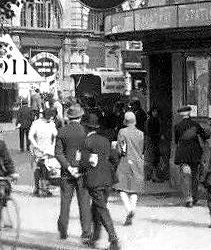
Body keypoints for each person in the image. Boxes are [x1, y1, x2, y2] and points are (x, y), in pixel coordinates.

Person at [77, 113, 121, 250]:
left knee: (101, 209)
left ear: (85, 127)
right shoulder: (105, 140)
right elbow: (114, 158)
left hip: (94, 181)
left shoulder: (85, 142)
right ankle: (94, 239)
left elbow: (83, 163)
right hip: (107, 180)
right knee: (96, 209)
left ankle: (113, 239)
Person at [55, 103, 93, 243]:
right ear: (81, 117)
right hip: (82, 172)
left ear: (69, 117)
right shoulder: (85, 132)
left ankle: (63, 231)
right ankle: (86, 232)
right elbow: (89, 152)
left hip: (66, 173)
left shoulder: (62, 131)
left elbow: (58, 153)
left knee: (65, 202)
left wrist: (69, 167)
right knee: (84, 202)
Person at [115, 111, 145, 226]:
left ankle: (129, 209)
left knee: (122, 188)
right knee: (134, 188)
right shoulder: (141, 133)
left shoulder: (122, 132)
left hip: (125, 161)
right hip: (137, 162)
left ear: (125, 121)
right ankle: (132, 208)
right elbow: (141, 149)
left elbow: (120, 149)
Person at [173, 105, 204, 207]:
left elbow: (176, 140)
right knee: (195, 176)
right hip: (195, 153)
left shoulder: (177, 126)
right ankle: (195, 198)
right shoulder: (196, 125)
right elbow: (203, 136)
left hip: (183, 154)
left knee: (186, 176)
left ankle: (188, 198)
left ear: (181, 114)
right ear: (190, 113)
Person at [29, 108, 58, 197]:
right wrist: (36, 146)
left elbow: (55, 135)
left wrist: (52, 146)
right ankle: (39, 188)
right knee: (38, 169)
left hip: (45, 149)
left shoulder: (50, 123)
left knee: (45, 169)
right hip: (40, 149)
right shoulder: (37, 123)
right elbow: (30, 136)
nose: (51, 119)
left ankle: (42, 188)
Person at [145, 108, 163, 182]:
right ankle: (153, 176)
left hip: (152, 141)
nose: (155, 113)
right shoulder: (152, 120)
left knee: (152, 159)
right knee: (153, 159)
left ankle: (150, 176)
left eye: (156, 111)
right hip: (153, 142)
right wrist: (159, 135)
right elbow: (150, 132)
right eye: (154, 111)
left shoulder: (151, 120)